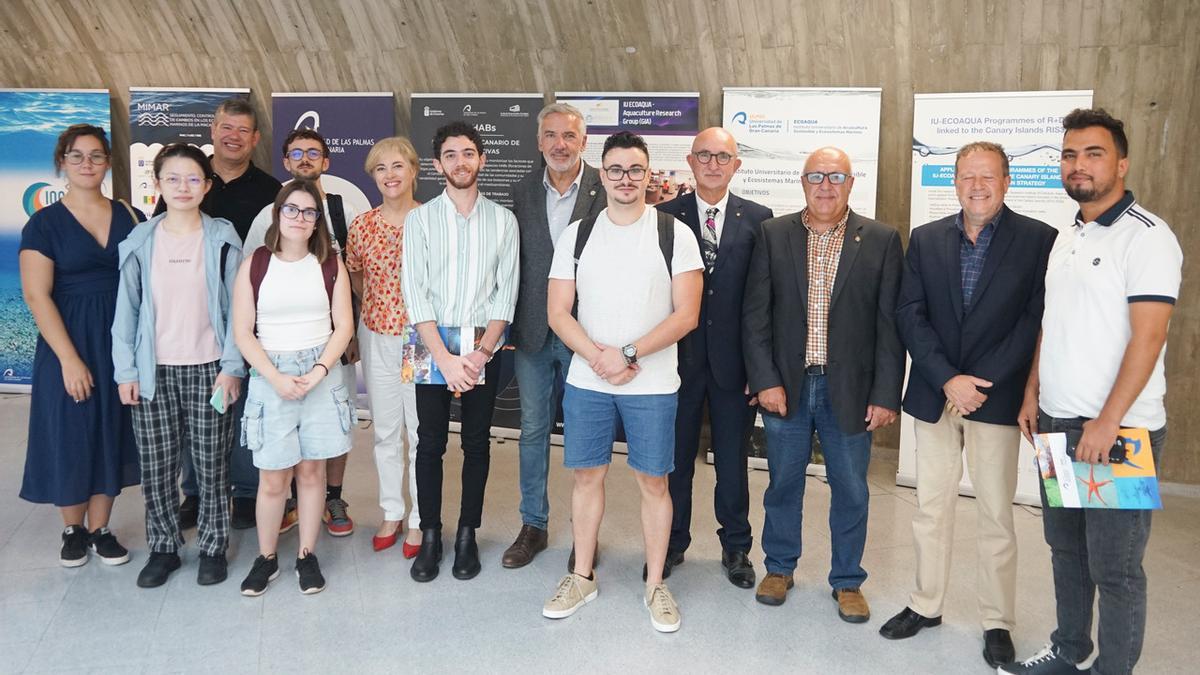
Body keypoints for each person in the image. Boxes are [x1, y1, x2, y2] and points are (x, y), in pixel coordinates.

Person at [1004, 109, 1182, 675]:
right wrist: (1033, 390)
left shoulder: (1148, 238)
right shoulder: (1068, 236)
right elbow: (1051, 323)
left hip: (1118, 432)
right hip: (1058, 422)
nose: (1079, 165)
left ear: (1122, 163)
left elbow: (1149, 337)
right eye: (1070, 154)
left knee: (1116, 567)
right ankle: (1069, 650)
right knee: (1066, 552)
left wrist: (1107, 423)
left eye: (1094, 154)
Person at [884, 142, 1058, 668]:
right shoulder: (927, 237)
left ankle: (996, 621)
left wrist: (979, 382)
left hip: (997, 398)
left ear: (1006, 182)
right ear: (953, 182)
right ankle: (925, 603)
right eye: (966, 177)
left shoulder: (1038, 240)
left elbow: (1033, 320)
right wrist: (947, 378)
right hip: (937, 395)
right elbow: (910, 312)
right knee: (930, 509)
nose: (976, 186)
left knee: (995, 516)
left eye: (987, 177)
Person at [541, 131, 703, 633]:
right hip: (589, 380)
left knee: (654, 482)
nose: (626, 179)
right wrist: (600, 358)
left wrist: (629, 354)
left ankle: (656, 583)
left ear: (648, 174)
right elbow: (557, 312)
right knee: (587, 475)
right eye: (615, 169)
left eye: (636, 170)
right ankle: (582, 575)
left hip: (652, 383)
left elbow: (687, 315)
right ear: (601, 173)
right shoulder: (578, 234)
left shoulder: (674, 234)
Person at [742, 146, 904, 621]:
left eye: (836, 177)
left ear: (851, 184)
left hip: (850, 389)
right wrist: (765, 380)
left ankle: (848, 579)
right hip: (787, 388)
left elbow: (889, 326)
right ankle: (779, 566)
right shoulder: (773, 235)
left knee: (852, 486)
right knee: (783, 483)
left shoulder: (880, 239)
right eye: (816, 176)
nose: (826, 186)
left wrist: (885, 394)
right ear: (803, 182)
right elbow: (755, 317)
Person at [113, 143, 244, 588]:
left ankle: (212, 546)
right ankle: (164, 548)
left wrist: (232, 368)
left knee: (211, 466)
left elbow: (239, 313)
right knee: (157, 466)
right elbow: (125, 313)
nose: (183, 187)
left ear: (207, 186)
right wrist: (125, 371)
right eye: (173, 179)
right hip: (153, 372)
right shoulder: (140, 241)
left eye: (193, 179)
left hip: (210, 368)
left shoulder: (224, 239)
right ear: (158, 185)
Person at [155, 98, 281, 532]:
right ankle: (196, 492)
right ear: (213, 130)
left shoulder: (270, 190)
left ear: (255, 139)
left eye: (242, 130)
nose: (232, 136)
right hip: (193, 317)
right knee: (198, 406)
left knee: (244, 404)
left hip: (253, 316)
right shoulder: (189, 178)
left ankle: (245, 493)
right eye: (226, 128)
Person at [655, 127, 773, 588]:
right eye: (703, 155)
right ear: (690, 160)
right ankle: (672, 542)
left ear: (736, 165)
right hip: (675, 364)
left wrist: (759, 370)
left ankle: (737, 547)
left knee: (732, 463)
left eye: (722, 156)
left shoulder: (758, 219)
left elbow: (762, 300)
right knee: (676, 460)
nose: (712, 163)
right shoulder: (663, 216)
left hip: (734, 369)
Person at [401, 121, 519, 582]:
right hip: (429, 343)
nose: (460, 162)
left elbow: (504, 296)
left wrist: (480, 354)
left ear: (482, 160)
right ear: (437, 165)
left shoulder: (503, 220)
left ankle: (467, 534)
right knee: (429, 444)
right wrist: (445, 359)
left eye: (468, 153)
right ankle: (431, 535)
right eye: (450, 155)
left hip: (482, 346)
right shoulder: (420, 219)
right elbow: (416, 295)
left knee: (476, 444)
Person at [19, 124, 141, 567]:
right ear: (62, 163)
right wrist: (69, 359)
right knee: (71, 431)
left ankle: (101, 528)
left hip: (119, 339)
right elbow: (37, 295)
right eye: (77, 156)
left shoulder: (131, 216)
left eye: (95, 155)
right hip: (66, 340)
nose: (87, 164)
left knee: (112, 426)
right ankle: (72, 530)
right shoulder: (44, 223)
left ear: (108, 162)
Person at [233, 180, 354, 596]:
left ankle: (306, 554)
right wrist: (275, 376)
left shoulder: (330, 264)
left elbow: (344, 327)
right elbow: (243, 332)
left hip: (320, 371)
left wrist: (318, 372)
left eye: (309, 212)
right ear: (277, 214)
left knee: (311, 471)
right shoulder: (255, 264)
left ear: (318, 220)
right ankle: (266, 558)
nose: (300, 218)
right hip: (272, 374)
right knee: (272, 478)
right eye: (292, 210)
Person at [502, 103, 605, 569]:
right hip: (532, 333)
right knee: (533, 431)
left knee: (587, 433)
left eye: (569, 136)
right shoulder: (520, 190)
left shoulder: (609, 187)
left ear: (584, 142)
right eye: (551, 136)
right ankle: (534, 524)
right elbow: (509, 264)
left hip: (589, 332)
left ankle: (585, 534)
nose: (560, 145)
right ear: (539, 141)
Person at [245, 128, 362, 538]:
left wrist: (352, 339)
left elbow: (358, 277)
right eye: (298, 153)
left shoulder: (345, 209)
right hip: (277, 352)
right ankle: (292, 501)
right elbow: (253, 288)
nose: (306, 159)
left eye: (315, 153)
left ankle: (332, 496)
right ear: (286, 161)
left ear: (327, 162)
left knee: (332, 427)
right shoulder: (266, 215)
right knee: (286, 437)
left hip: (331, 347)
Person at [345, 137, 424, 557]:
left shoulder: (433, 219)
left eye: (398, 166)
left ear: (414, 170)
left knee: (420, 431)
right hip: (377, 335)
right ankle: (392, 511)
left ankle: (419, 519)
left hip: (420, 342)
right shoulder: (362, 225)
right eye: (381, 168)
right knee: (386, 430)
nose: (390, 175)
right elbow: (356, 277)